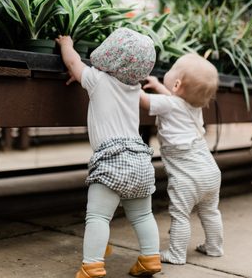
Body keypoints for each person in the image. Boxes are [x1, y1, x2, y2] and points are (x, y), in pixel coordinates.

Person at [56, 28, 162, 278]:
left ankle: (92, 265)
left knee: (98, 216)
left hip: (112, 162)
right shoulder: (135, 88)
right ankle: (150, 257)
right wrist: (83, 77)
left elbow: (72, 61)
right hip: (139, 160)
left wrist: (65, 44)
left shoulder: (97, 79)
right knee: (143, 215)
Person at [139, 53, 223, 265]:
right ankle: (214, 247)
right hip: (210, 173)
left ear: (176, 84)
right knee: (210, 212)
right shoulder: (195, 108)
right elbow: (174, 100)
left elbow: (145, 101)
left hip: (187, 178)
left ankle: (176, 254)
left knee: (180, 215)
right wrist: (158, 85)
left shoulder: (168, 105)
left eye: (171, 70)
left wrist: (125, 84)